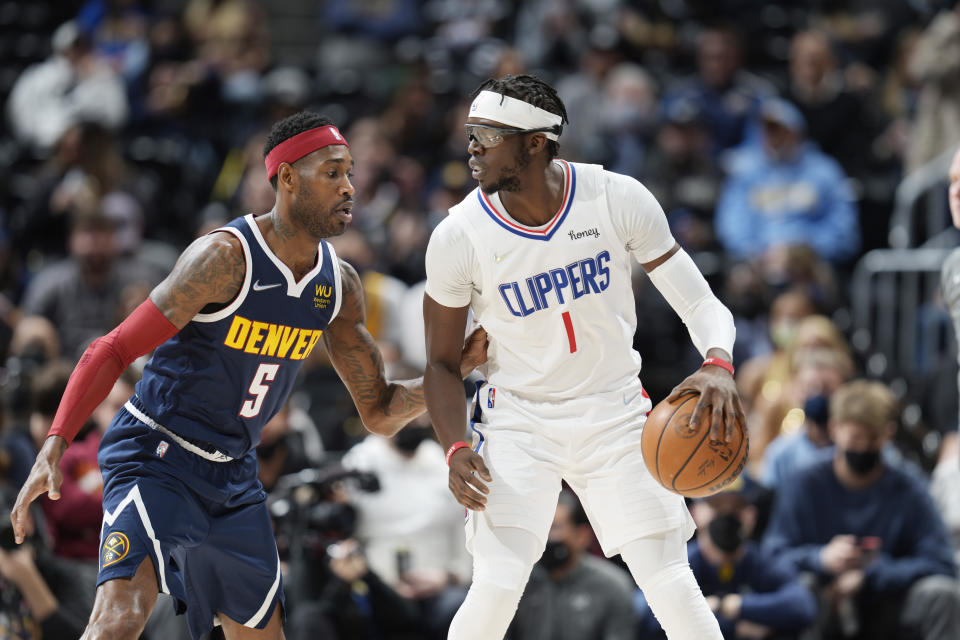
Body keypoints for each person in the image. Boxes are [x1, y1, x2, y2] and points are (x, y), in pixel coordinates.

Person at [10, 111, 487, 640]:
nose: (350, 187)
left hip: (234, 473)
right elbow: (113, 348)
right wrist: (54, 443)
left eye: (350, 172)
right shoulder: (224, 259)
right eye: (332, 173)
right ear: (287, 178)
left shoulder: (339, 285)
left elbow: (377, 411)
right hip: (158, 454)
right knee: (121, 618)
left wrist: (455, 370)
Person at [422, 73, 744, 640]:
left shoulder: (616, 197)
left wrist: (718, 361)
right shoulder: (459, 236)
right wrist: (454, 445)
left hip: (615, 410)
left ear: (535, 142)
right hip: (518, 416)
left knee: (669, 577)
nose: (471, 147)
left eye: (486, 135)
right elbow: (441, 364)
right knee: (496, 584)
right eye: (470, 133)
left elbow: (701, 303)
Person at [763, 380, 960, 640]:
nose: (864, 447)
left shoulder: (909, 487)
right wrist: (821, 559)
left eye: (873, 438)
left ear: (888, 434)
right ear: (835, 429)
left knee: (942, 594)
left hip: (890, 600)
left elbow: (941, 562)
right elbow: (772, 556)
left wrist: (871, 574)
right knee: (801, 587)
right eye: (856, 437)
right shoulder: (805, 483)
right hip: (823, 599)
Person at [639, 474, 817, 639]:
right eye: (717, 506)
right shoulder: (680, 565)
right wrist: (734, 627)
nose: (727, 516)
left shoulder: (762, 561)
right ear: (695, 514)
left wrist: (731, 605)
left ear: (752, 516)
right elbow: (652, 622)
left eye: (736, 508)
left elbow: (802, 605)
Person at [508, 490, 637, 640]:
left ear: (582, 536)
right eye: (541, 528)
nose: (546, 538)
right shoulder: (517, 582)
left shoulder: (612, 585)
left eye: (555, 528)